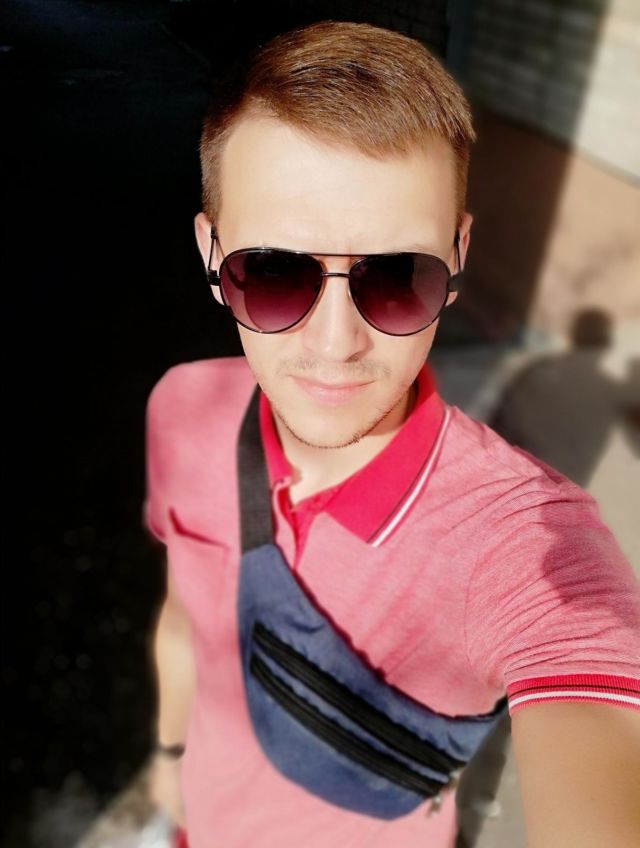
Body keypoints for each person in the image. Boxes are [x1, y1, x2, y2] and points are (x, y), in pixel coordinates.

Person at [144, 21, 640, 848]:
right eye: (274, 272)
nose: (336, 343)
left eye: (399, 276)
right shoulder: (185, 407)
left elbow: (586, 680)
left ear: (459, 254)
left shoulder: (518, 540)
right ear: (211, 252)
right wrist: (170, 755)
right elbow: (184, 612)